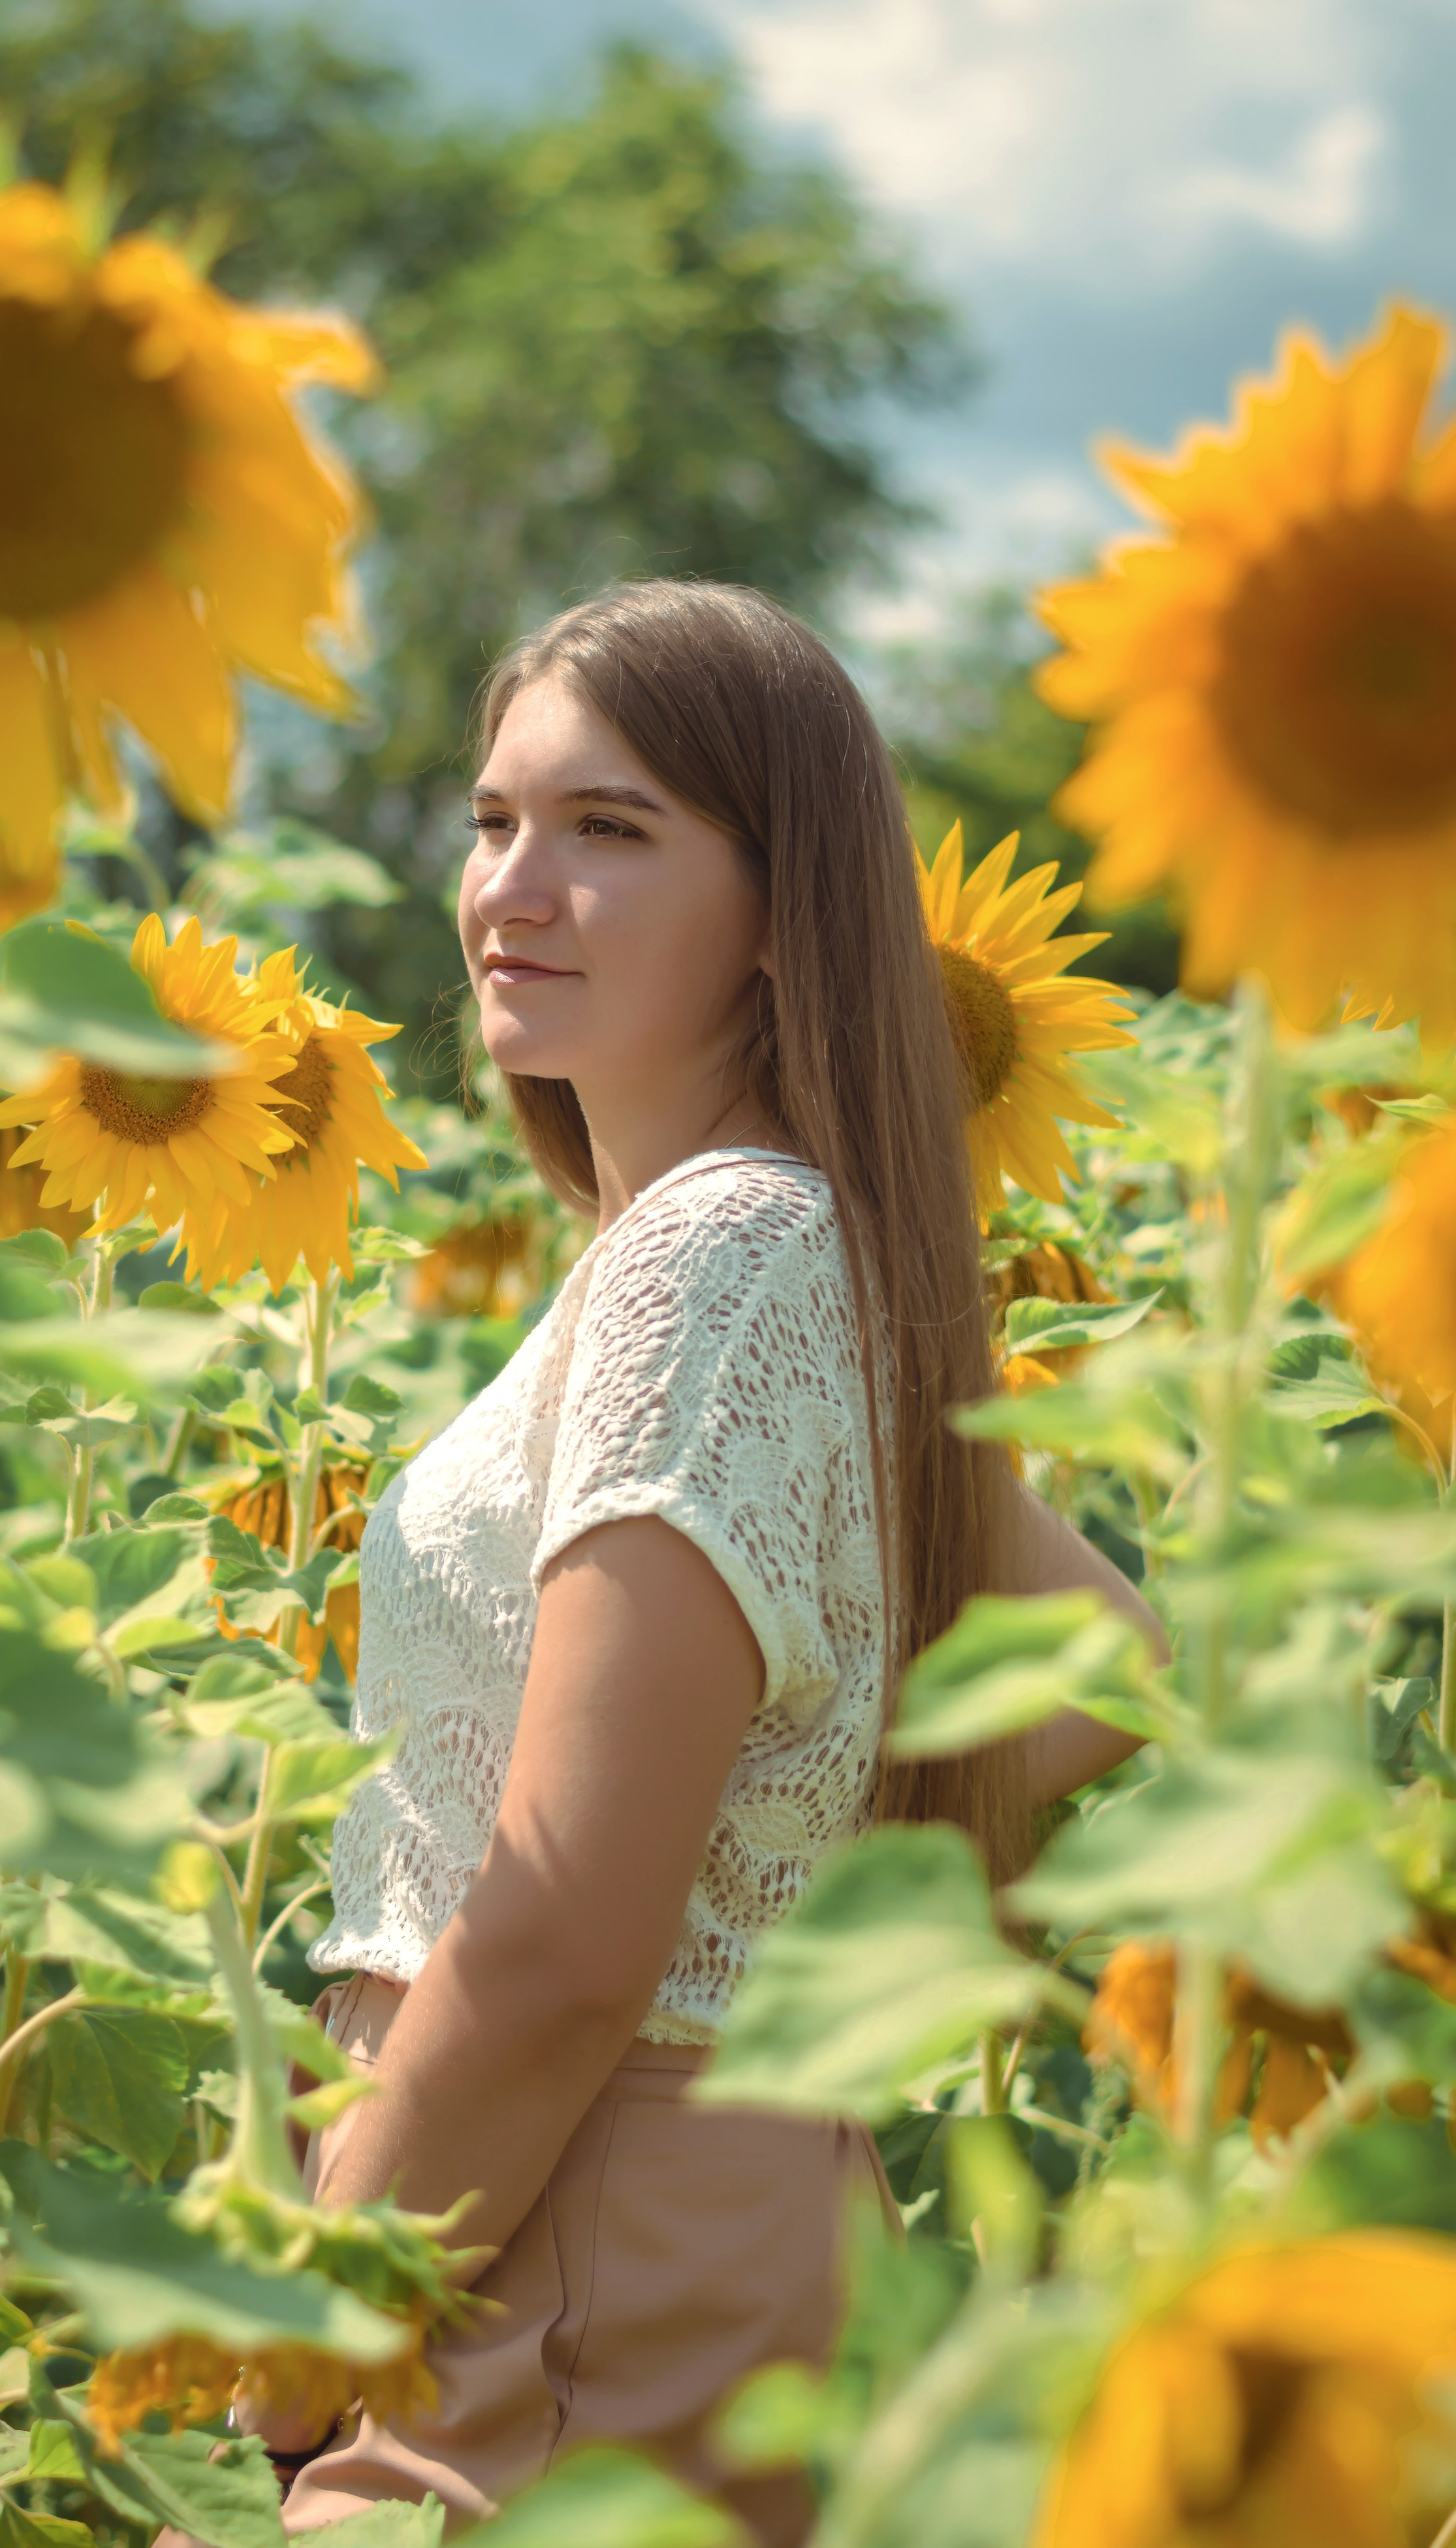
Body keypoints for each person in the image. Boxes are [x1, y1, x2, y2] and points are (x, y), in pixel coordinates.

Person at [242, 582, 1158, 2543]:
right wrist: (777, 1892)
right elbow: (1103, 1654)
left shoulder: (715, 1255)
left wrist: (298, 2351)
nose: (511, 887)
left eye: (609, 827)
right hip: (652, 2215)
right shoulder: (776, 1253)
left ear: (778, 909)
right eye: (494, 822)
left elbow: (565, 1939)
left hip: (544, 2245)